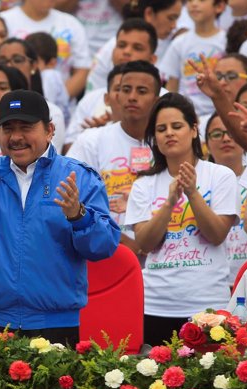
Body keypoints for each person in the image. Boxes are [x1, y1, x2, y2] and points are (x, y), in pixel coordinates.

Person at [0, 89, 120, 343]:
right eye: (8, 128)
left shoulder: (78, 176)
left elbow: (104, 245)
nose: (16, 137)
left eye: (26, 127)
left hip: (56, 323)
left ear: (49, 130)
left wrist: (79, 216)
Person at [125, 93, 238, 346]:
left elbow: (217, 234)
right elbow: (144, 242)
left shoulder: (220, 176)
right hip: (156, 305)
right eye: (161, 129)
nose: (169, 134)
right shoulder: (144, 184)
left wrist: (192, 193)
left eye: (177, 126)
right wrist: (169, 203)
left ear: (194, 129)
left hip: (209, 306)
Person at [67, 60, 161, 254]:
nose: (132, 97)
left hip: (162, 256)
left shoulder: (170, 141)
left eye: (142, 91)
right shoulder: (90, 141)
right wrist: (123, 241)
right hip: (109, 253)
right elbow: (72, 199)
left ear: (156, 99)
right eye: (125, 89)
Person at [68, 19, 158, 148]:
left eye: (137, 48)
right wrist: (94, 136)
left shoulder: (165, 99)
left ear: (152, 59)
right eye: (121, 45)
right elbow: (68, 147)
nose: (127, 51)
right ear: (107, 98)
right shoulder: (91, 100)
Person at [0, 0, 91, 99]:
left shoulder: (71, 23)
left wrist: (55, 100)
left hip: (63, 107)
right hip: (13, 102)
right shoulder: (4, 20)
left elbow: (82, 70)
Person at [87, 0, 182, 92]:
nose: (174, 26)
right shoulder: (110, 48)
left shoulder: (175, 44)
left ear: (152, 59)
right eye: (170, 18)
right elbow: (94, 100)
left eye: (137, 48)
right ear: (149, 13)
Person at [159, 0, 226, 116]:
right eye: (190, 0)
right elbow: (171, 86)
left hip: (220, 114)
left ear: (219, 6)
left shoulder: (226, 41)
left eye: (201, 0)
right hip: (188, 115)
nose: (194, 4)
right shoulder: (179, 43)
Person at [204, 112, 247, 286]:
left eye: (231, 132)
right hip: (215, 283)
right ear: (206, 143)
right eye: (216, 134)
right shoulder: (194, 181)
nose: (225, 139)